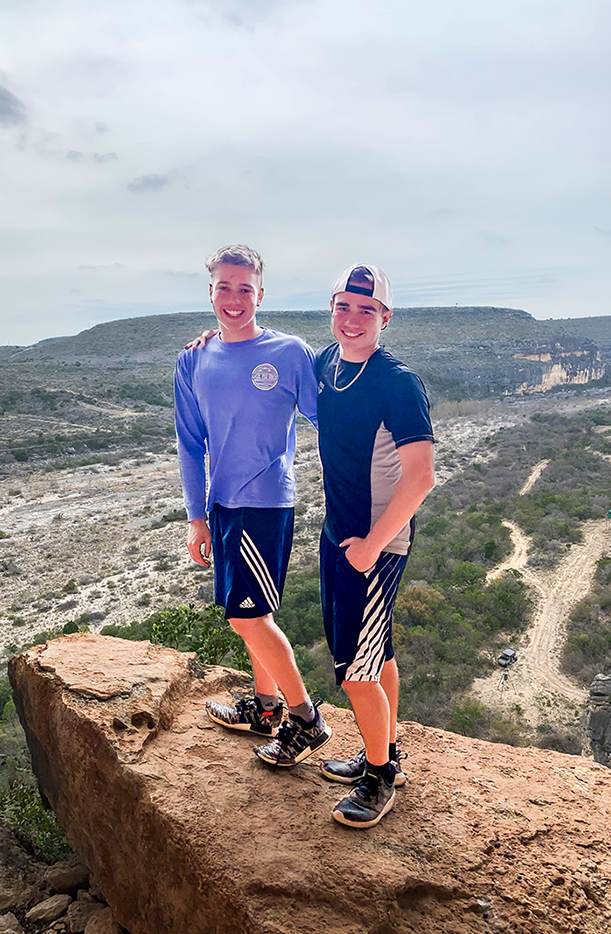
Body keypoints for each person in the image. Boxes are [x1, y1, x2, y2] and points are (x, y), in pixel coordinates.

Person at [173, 244, 331, 768]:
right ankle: (264, 709)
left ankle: (305, 719)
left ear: (260, 293)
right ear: (210, 292)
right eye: (224, 287)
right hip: (221, 505)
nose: (234, 298)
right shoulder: (193, 358)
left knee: (249, 617)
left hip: (265, 503)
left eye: (245, 288)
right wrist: (196, 516)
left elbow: (326, 420)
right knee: (248, 613)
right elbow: (190, 443)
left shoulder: (289, 353)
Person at [316, 263, 435, 829]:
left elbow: (421, 476)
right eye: (344, 306)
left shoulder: (397, 381)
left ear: (385, 317)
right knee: (377, 654)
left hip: (374, 544)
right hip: (338, 535)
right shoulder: (326, 364)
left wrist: (370, 546)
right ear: (333, 309)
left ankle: (380, 777)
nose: (353, 318)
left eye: (366, 310)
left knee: (355, 673)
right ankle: (382, 752)